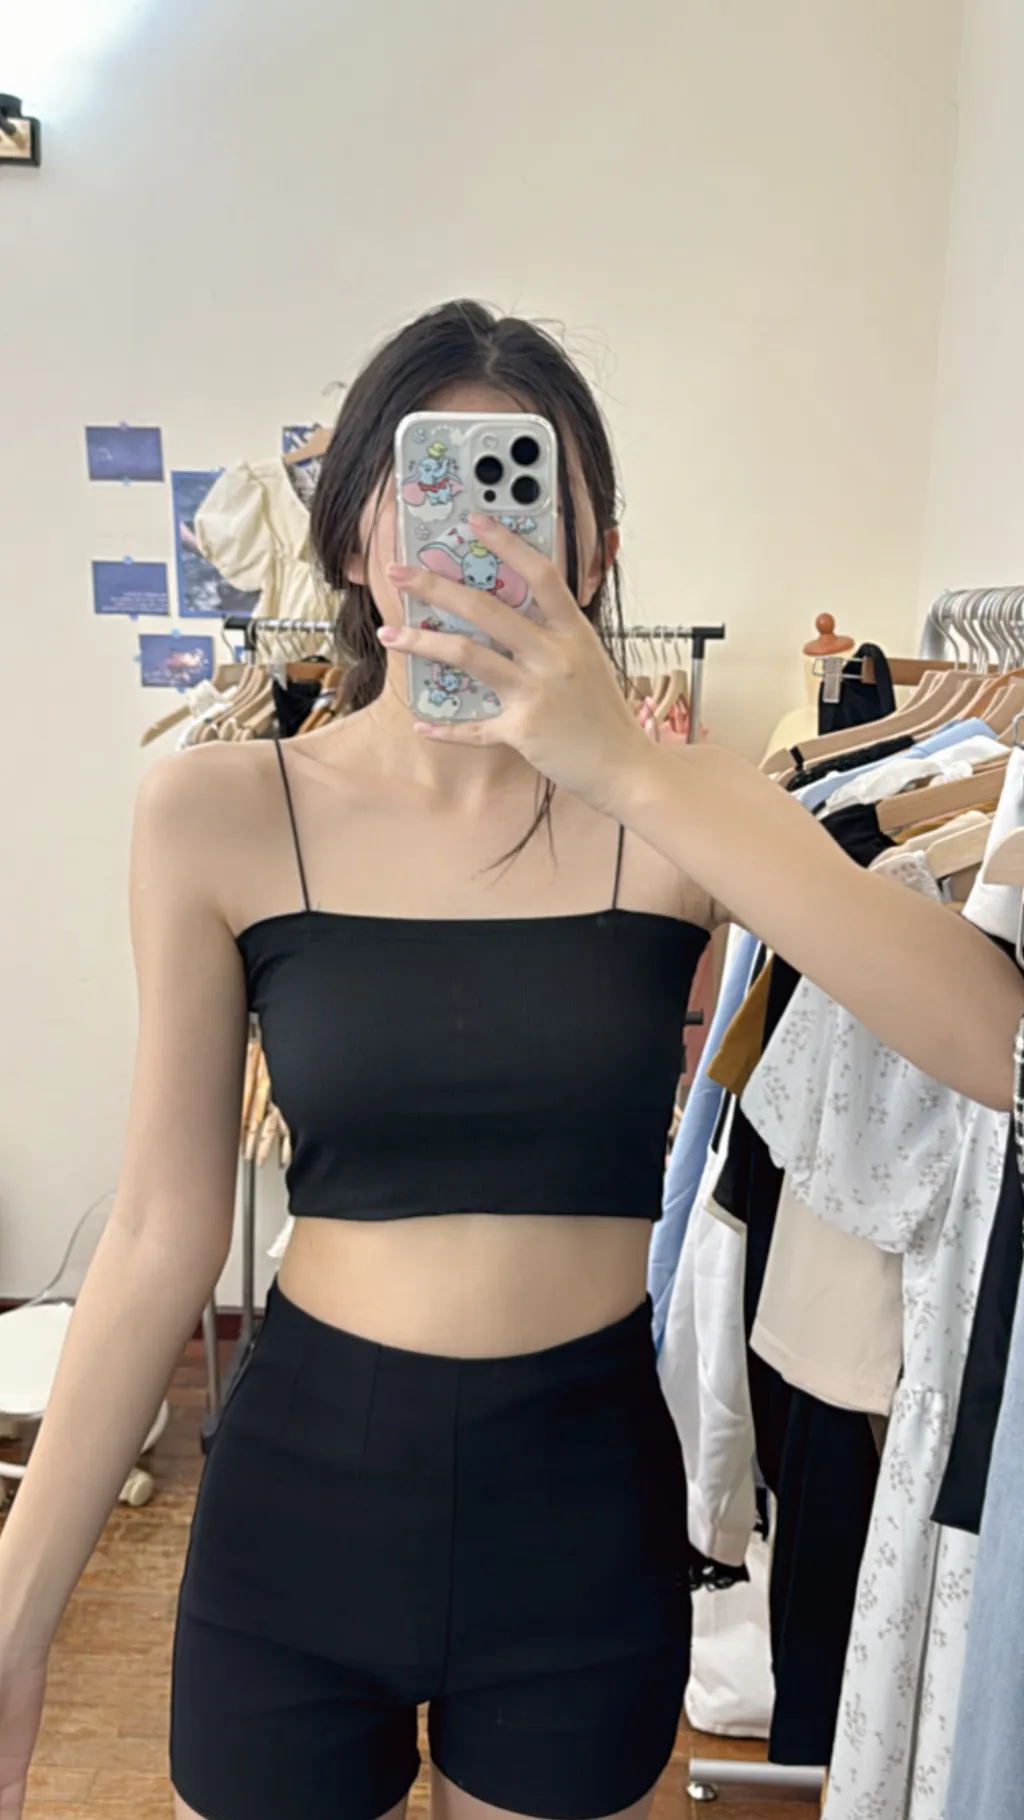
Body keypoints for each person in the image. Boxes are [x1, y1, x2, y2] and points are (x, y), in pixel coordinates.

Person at [0, 300, 1020, 1820]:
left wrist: (627, 769)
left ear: (592, 551)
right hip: (297, 1517)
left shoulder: (681, 812)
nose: (474, 540)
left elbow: (995, 1045)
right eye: (429, 493)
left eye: (522, 496)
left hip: (580, 1525)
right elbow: (159, 1232)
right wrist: (15, 1625)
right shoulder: (215, 812)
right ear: (357, 540)